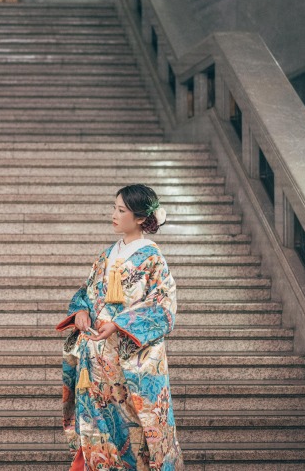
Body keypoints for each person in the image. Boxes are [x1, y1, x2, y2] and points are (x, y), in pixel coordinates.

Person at [56, 183, 184, 471]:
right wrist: (80, 312)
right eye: (114, 208)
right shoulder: (106, 256)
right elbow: (86, 293)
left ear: (140, 218)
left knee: (135, 428)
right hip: (96, 359)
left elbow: (164, 305)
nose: (114, 214)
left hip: (130, 358)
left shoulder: (152, 258)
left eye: (121, 210)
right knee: (97, 430)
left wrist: (118, 323)